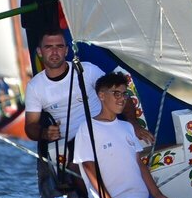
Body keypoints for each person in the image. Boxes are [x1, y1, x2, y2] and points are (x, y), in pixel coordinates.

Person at [24, 29, 154, 165]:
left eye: (60, 46)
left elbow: (118, 96)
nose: (55, 52)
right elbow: (30, 127)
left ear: (66, 51)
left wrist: (134, 125)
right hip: (74, 144)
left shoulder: (87, 70)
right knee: (79, 167)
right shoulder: (34, 87)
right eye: (48, 47)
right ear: (39, 52)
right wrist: (45, 133)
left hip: (106, 130)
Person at [73, 72, 172, 198]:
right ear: (101, 96)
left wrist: (157, 195)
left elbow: (139, 165)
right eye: (116, 94)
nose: (122, 99)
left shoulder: (127, 127)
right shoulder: (88, 128)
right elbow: (89, 167)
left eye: (124, 94)